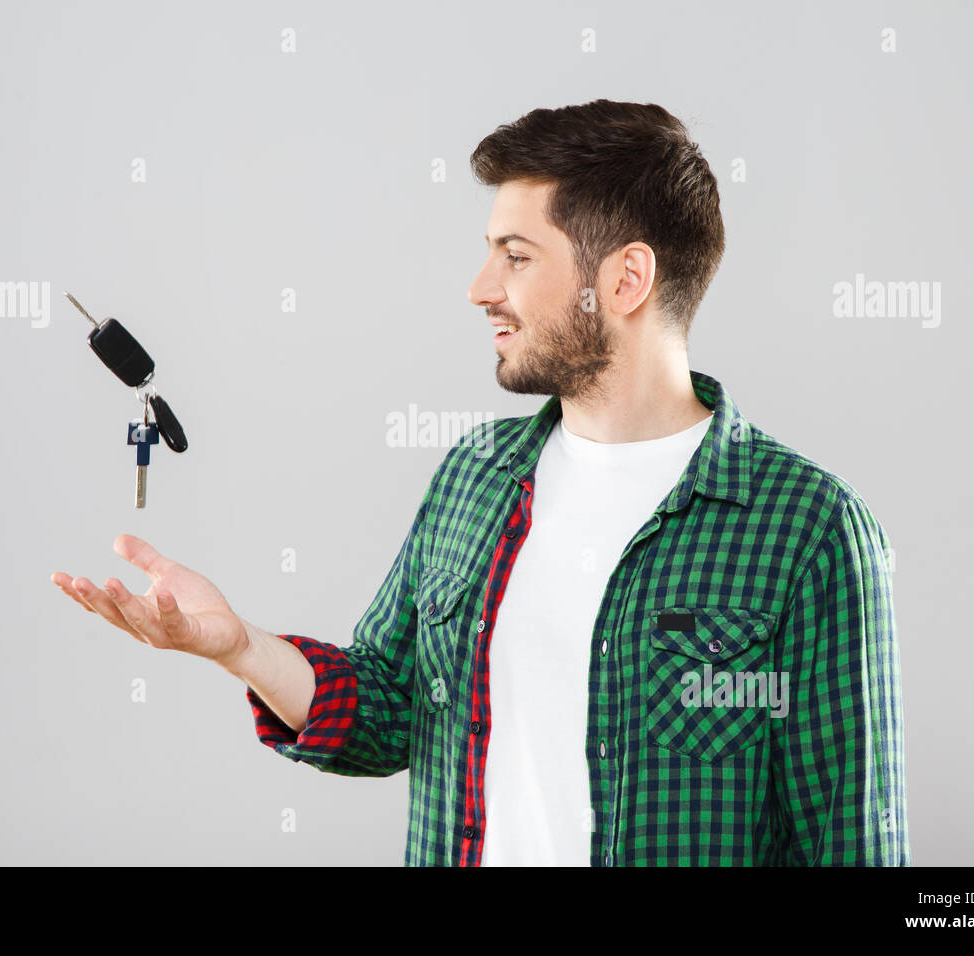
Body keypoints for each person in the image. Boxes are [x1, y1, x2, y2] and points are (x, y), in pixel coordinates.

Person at [52, 99, 909, 867]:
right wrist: (241, 648)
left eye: (517, 256)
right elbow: (387, 709)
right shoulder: (474, 478)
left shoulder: (809, 530)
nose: (480, 289)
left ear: (625, 280)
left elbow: (851, 847)